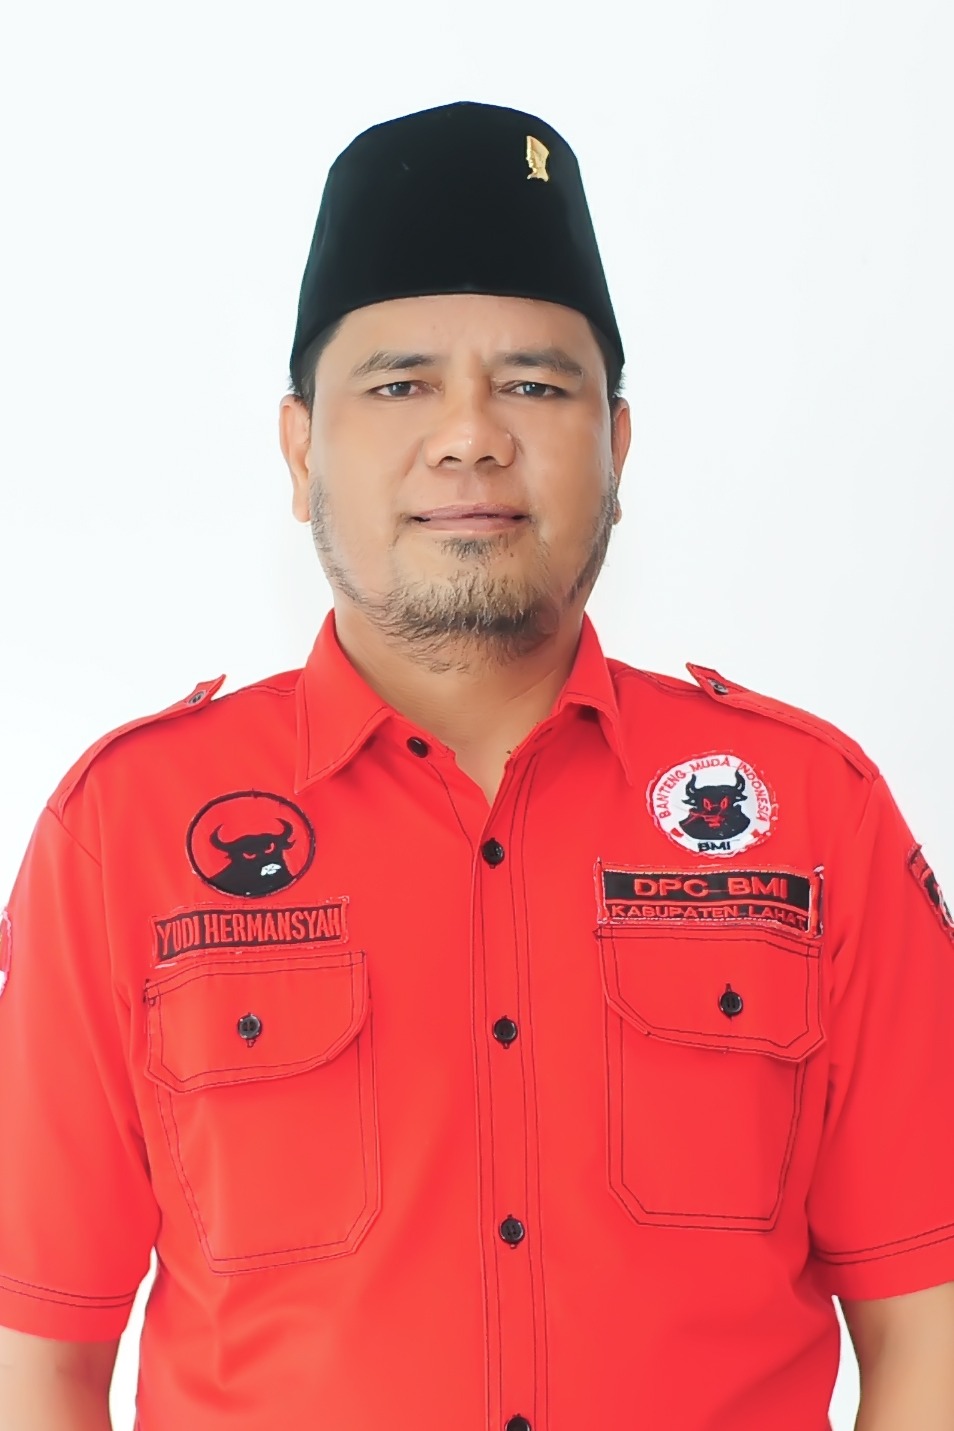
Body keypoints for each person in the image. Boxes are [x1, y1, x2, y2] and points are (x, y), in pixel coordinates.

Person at [1, 100, 953, 1431]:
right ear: (300, 448)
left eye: (535, 385)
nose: (470, 435)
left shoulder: (811, 818)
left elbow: (927, 1327)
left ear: (617, 444)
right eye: (400, 384)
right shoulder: (127, 829)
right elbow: (40, 1359)